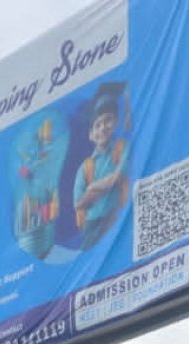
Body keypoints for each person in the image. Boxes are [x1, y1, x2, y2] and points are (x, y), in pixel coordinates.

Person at [73, 86, 130, 249]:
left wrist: (92, 188)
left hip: (117, 216)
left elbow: (118, 177)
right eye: (97, 125)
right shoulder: (85, 168)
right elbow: (78, 204)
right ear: (91, 134)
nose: (103, 128)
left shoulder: (122, 148)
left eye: (108, 120)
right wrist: (106, 184)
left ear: (115, 122)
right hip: (91, 226)